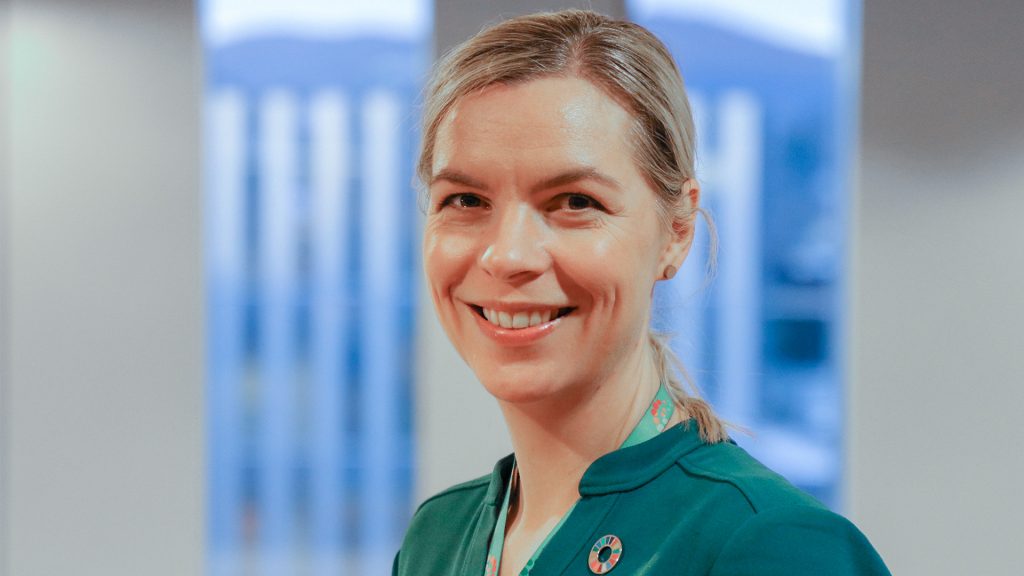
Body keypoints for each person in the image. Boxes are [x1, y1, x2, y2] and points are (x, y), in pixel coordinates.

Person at [395, 9, 890, 576]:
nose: (507, 256)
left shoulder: (774, 546)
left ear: (675, 233)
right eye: (465, 200)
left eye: (576, 202)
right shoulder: (437, 538)